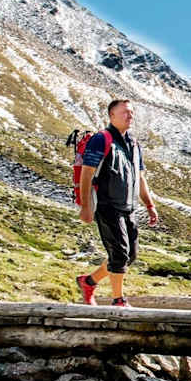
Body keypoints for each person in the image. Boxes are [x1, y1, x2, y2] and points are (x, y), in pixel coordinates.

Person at [75, 98, 159, 307]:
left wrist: (150, 205)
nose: (129, 116)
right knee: (120, 254)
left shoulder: (133, 143)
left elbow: (140, 178)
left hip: (129, 207)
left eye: (131, 113)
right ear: (112, 116)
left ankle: (88, 281)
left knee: (130, 256)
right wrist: (86, 207)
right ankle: (118, 300)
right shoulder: (101, 139)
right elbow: (87, 174)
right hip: (107, 206)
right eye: (124, 113)